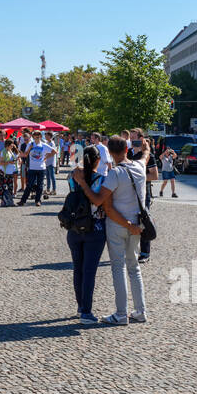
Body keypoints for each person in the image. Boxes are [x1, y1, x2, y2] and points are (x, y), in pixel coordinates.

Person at [89, 137, 148, 325]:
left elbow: (100, 202)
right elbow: (145, 156)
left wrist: (82, 183)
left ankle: (121, 313)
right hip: (138, 225)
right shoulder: (139, 166)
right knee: (134, 268)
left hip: (118, 225)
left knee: (118, 267)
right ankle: (140, 311)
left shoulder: (115, 173)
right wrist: (146, 147)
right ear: (127, 148)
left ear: (110, 151)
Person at [66, 145, 110, 324]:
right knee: (89, 270)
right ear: (98, 160)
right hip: (95, 228)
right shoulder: (102, 179)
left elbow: (75, 175)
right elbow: (101, 201)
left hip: (74, 227)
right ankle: (86, 311)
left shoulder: (73, 177)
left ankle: (80, 306)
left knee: (78, 268)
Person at [18, 131, 53, 206]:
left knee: (40, 185)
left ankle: (38, 201)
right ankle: (23, 201)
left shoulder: (43, 145)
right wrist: (29, 148)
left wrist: (46, 157)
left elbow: (54, 151)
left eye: (38, 136)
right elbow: (25, 154)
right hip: (32, 167)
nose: (36, 138)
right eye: (35, 136)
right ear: (33, 137)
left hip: (41, 168)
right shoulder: (30, 144)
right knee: (29, 185)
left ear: (40, 137)